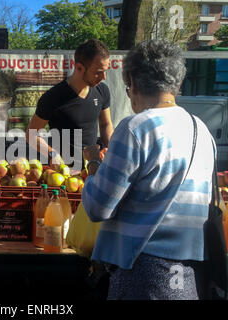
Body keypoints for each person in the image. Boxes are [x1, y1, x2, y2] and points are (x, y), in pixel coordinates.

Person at [82, 39, 215, 300]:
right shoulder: (201, 130)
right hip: (187, 277)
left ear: (132, 80)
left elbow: (98, 208)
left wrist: (93, 165)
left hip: (141, 273)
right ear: (177, 83)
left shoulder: (136, 127)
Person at [25, 39, 114, 171]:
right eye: (98, 72)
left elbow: (106, 124)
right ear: (79, 67)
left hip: (95, 169)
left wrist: (112, 151)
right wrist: (51, 153)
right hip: (64, 174)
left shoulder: (102, 90)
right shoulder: (52, 97)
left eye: (105, 71)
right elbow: (31, 134)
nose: (104, 77)